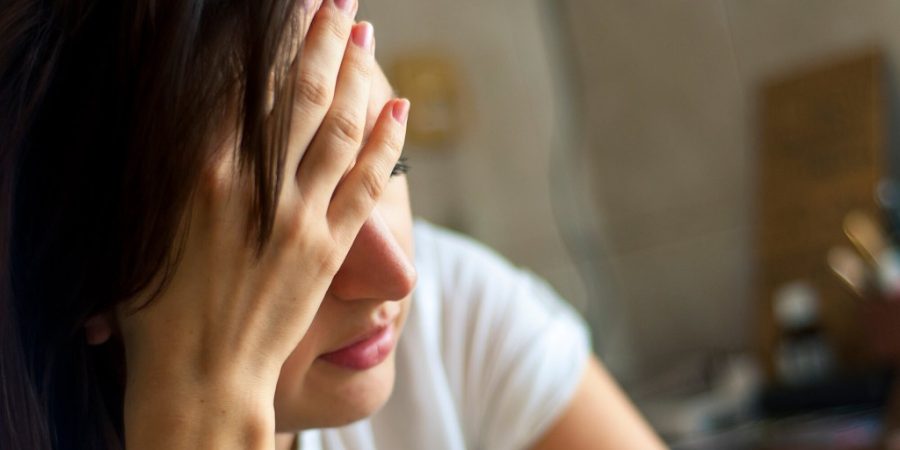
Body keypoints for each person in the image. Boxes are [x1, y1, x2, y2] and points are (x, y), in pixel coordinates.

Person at [0, 0, 665, 448]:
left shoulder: (451, 314)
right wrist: (200, 416)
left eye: (388, 169)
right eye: (279, 225)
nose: (396, 278)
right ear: (92, 283)